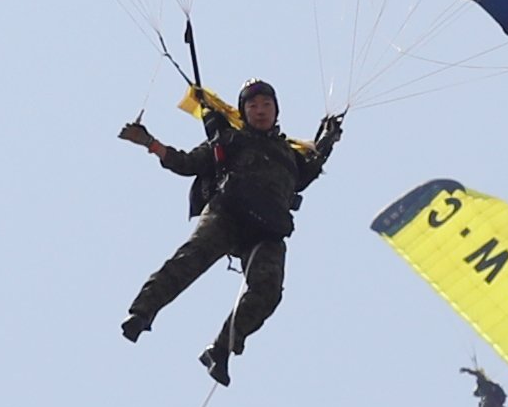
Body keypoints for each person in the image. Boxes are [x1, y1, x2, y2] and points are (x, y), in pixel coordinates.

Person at [118, 80, 343, 385]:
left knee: (268, 291)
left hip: (267, 230)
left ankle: (221, 349)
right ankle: (142, 312)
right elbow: (186, 163)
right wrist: (151, 144)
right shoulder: (231, 140)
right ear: (244, 112)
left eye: (266, 105)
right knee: (191, 258)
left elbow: (311, 167)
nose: (260, 111)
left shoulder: (291, 157)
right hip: (228, 214)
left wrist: (329, 137)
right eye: (252, 106)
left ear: (276, 110)